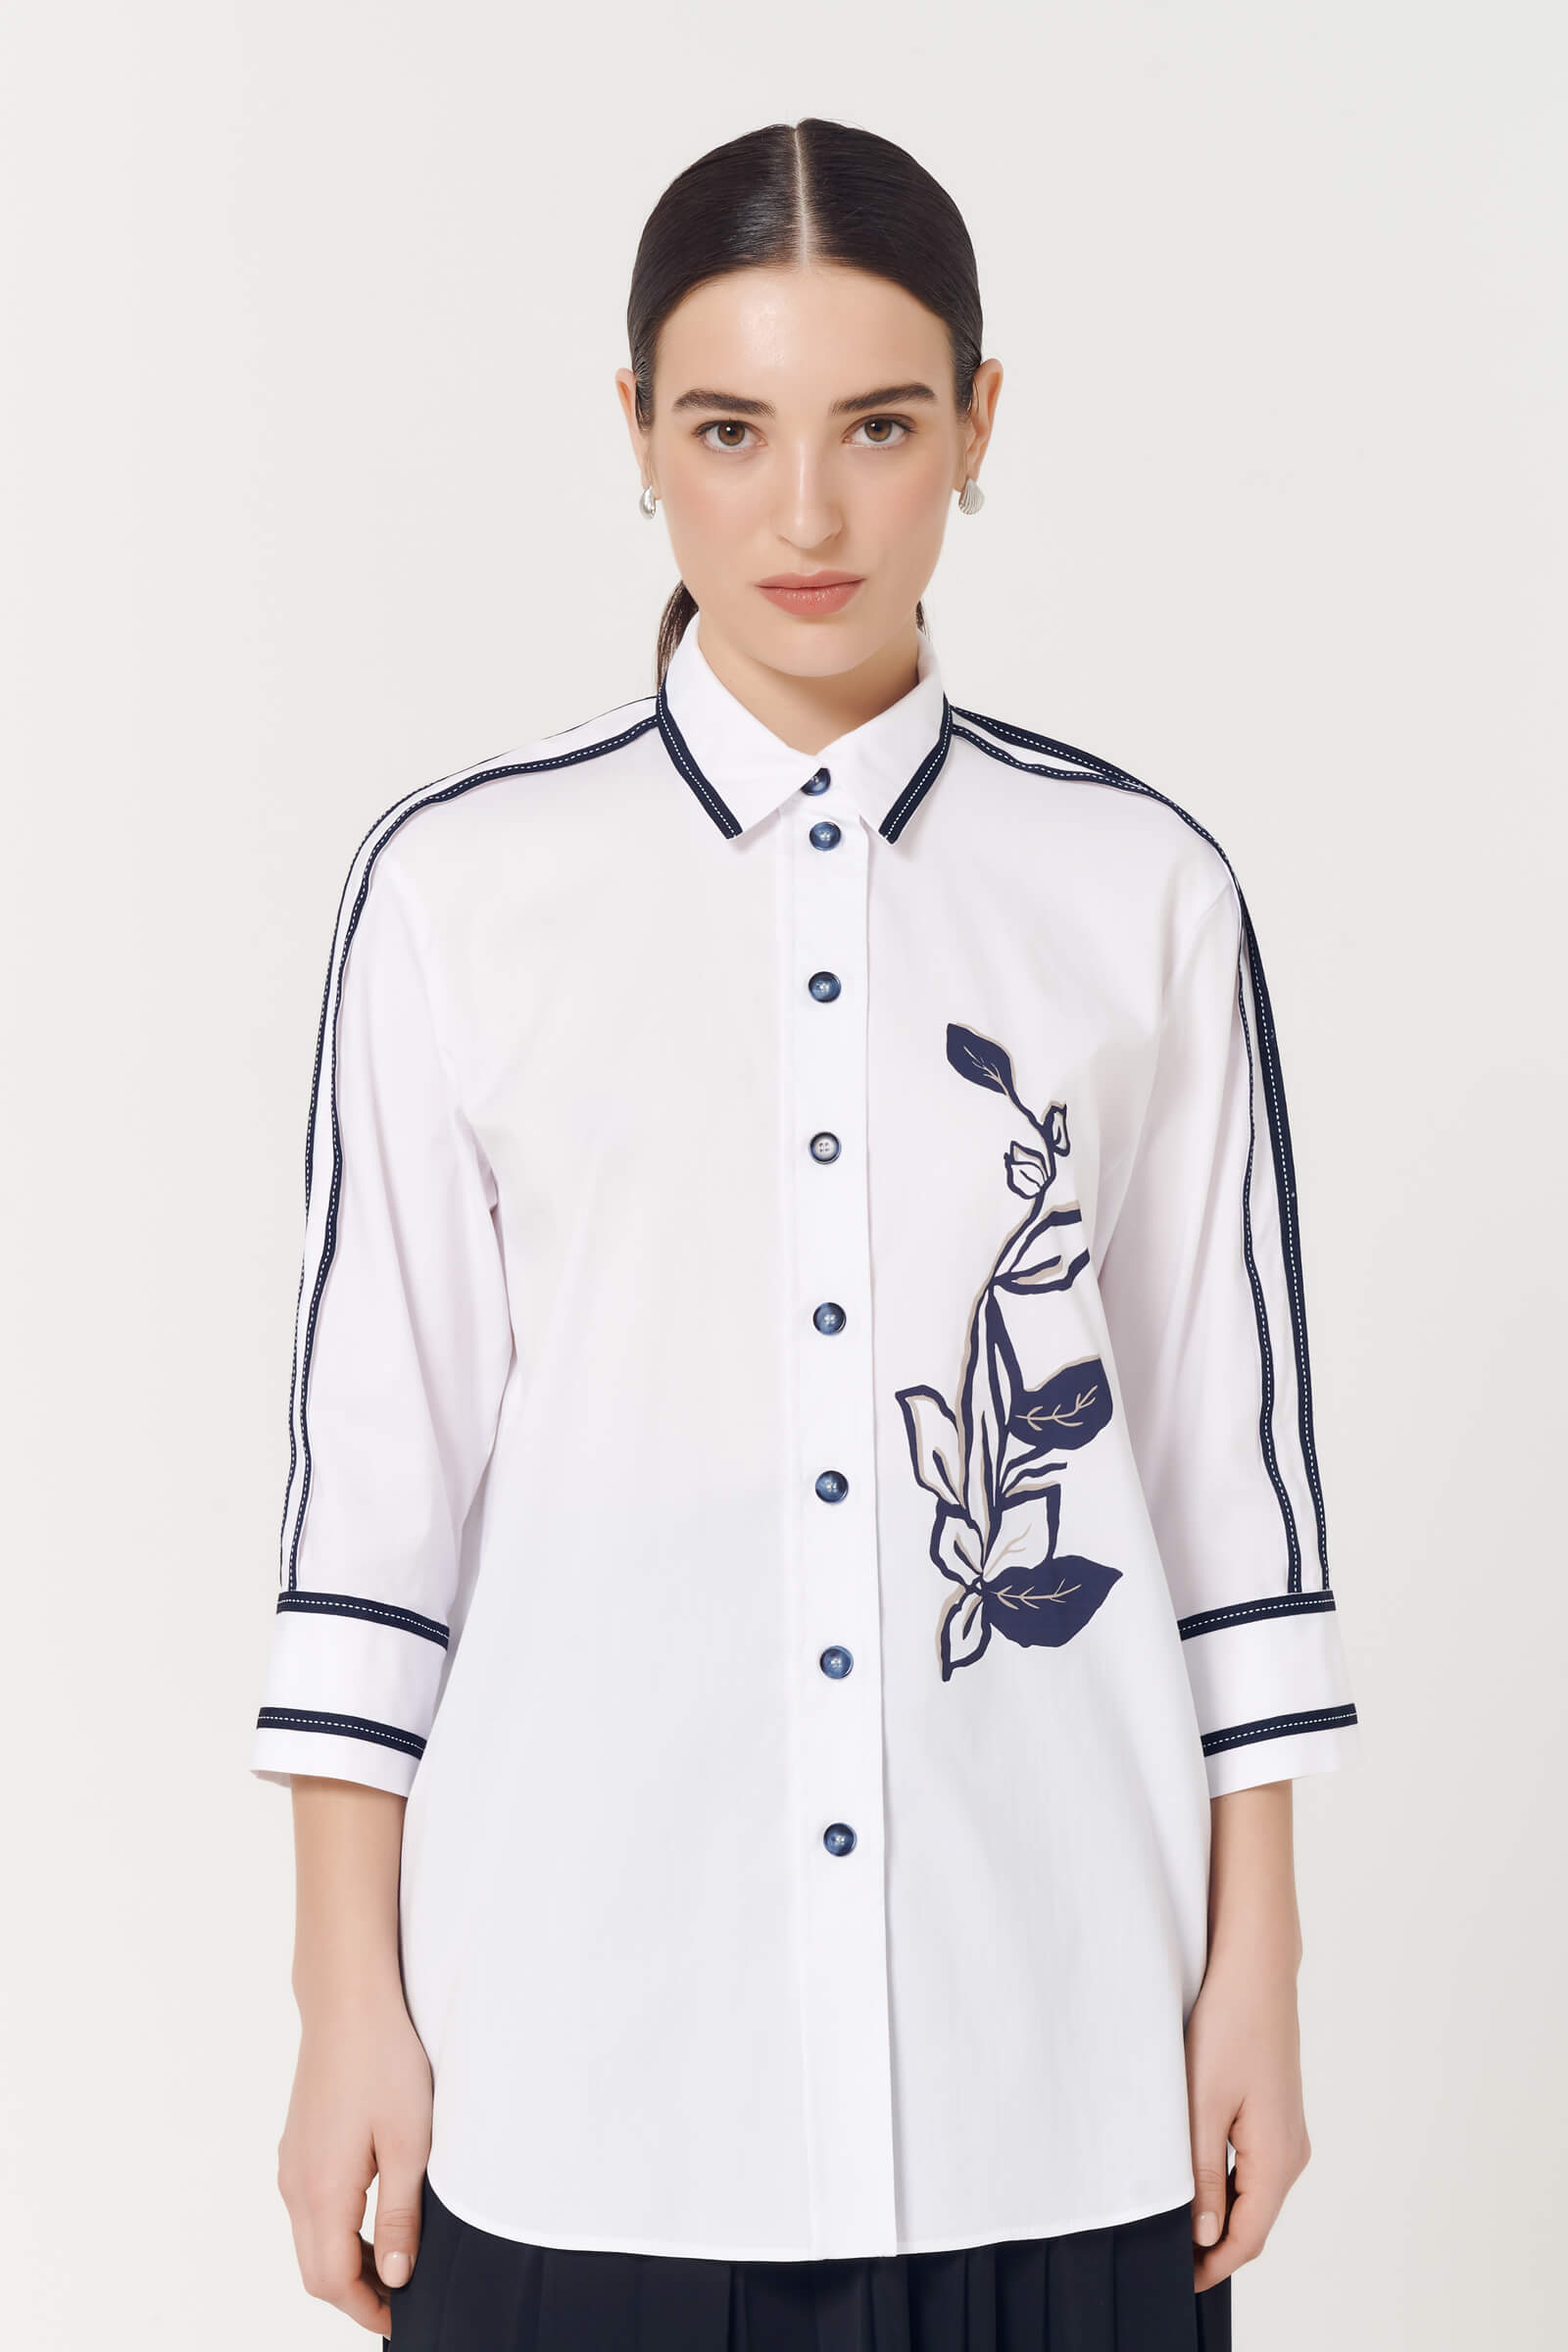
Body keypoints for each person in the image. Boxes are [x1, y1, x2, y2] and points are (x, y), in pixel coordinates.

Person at [251, 118, 1361, 2352]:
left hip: (1051, 2064)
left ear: (977, 422)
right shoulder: (462, 893)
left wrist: (1260, 1963)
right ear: (635, 433)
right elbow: (377, 1494)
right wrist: (341, 2000)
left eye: (877, 425)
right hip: (582, 2076)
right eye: (728, 430)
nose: (806, 516)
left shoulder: (1137, 893)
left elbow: (1222, 1482)